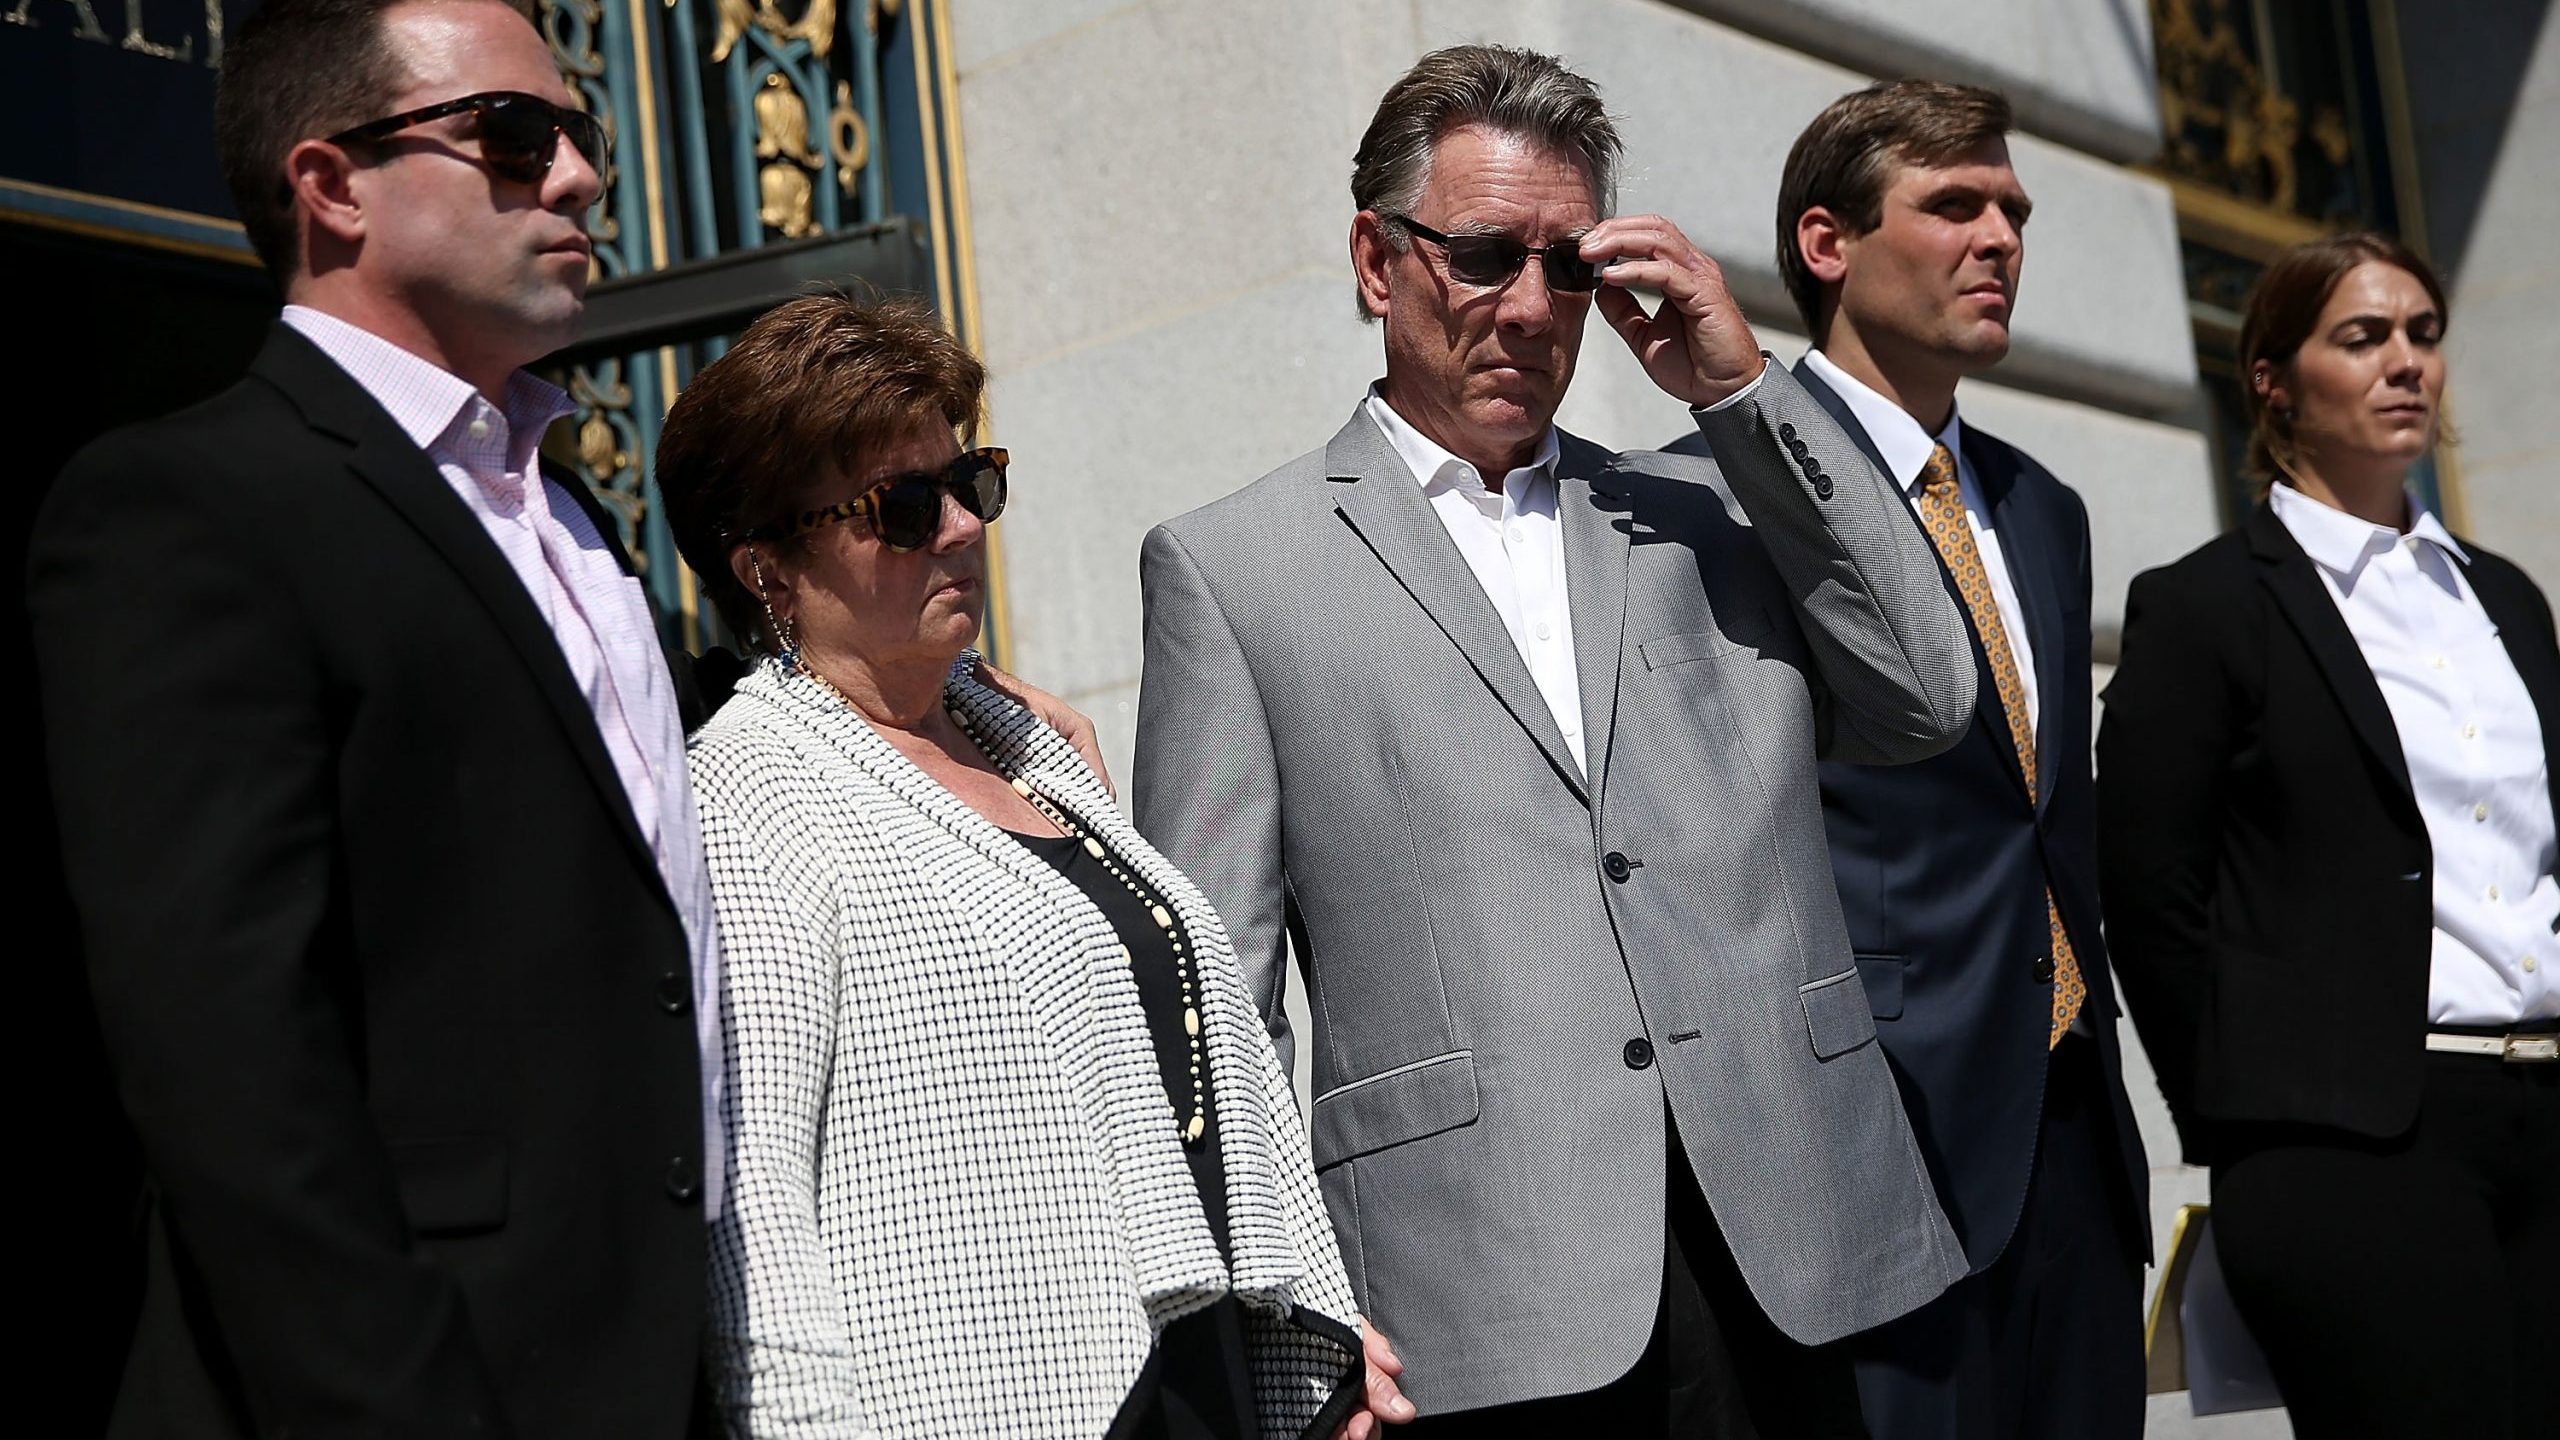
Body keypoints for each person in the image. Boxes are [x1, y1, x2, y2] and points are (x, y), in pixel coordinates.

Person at [1134, 44, 1977, 1436]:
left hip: (1793, 1246)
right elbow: (1215, 991)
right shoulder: (1234, 569)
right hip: (1474, 1287)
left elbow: (1928, 691)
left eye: (1568, 266)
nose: (1531, 308)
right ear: (1375, 258)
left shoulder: (1710, 500)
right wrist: (1283, 1309)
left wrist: (1744, 388)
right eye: (1482, 256)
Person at [30, 0, 718, 1433]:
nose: (581, 177)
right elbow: (228, 1058)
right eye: (514, 136)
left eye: (585, 133)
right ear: (329, 185)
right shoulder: (187, 506)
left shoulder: (576, 515)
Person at [659, 293, 1400, 1440]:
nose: (960, 526)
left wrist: (1317, 1338)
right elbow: (750, 1199)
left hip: (1190, 1372)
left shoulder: (1027, 741)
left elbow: (1188, 1070)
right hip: (990, 1396)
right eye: (901, 507)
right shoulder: (749, 793)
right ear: (766, 569)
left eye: (972, 482)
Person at [1671, 80, 2149, 1439]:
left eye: (2012, 210)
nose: (1999, 237)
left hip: (2072, 1140)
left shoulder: (2041, 507)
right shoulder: (1706, 502)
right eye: (1954, 206)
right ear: (1827, 244)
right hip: (1868, 1145)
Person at [2099, 232, 2557, 1440]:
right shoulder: (2204, 606)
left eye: (2422, 333)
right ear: (2271, 378)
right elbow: (2152, 891)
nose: (2405, 362)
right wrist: (2251, 1122)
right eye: (2362, 338)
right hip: (2351, 1150)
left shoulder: (2504, 595)